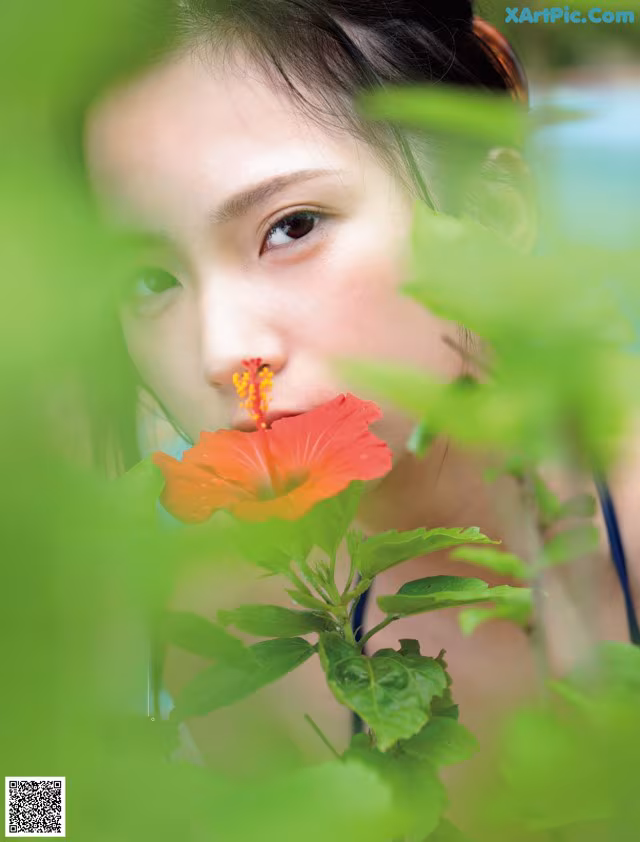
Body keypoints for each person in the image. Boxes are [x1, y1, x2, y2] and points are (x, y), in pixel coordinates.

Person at [81, 0, 640, 767]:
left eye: (294, 226)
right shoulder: (224, 625)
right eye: (150, 278)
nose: (223, 352)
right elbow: (43, 807)